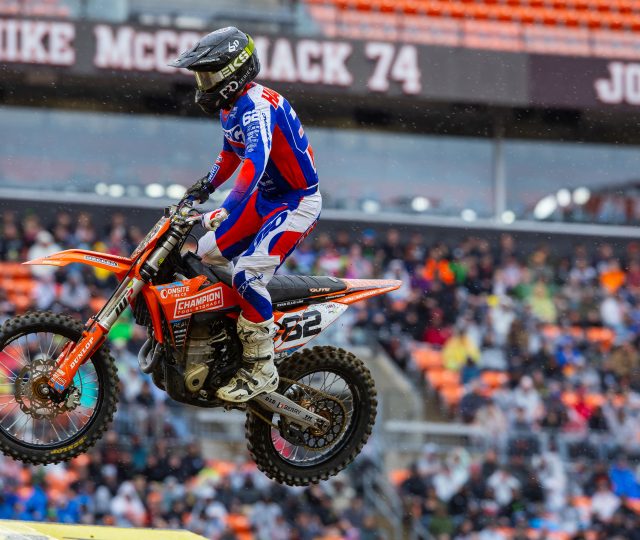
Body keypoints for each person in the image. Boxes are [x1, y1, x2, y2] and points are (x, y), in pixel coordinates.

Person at [170, 27, 321, 402]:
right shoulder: (231, 107)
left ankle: (261, 365)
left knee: (248, 273)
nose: (203, 86)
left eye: (209, 77)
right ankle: (225, 339)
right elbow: (230, 154)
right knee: (205, 254)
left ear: (233, 73)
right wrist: (204, 186)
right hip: (268, 197)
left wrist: (225, 207)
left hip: (296, 201)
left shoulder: (256, 107)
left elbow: (255, 161)